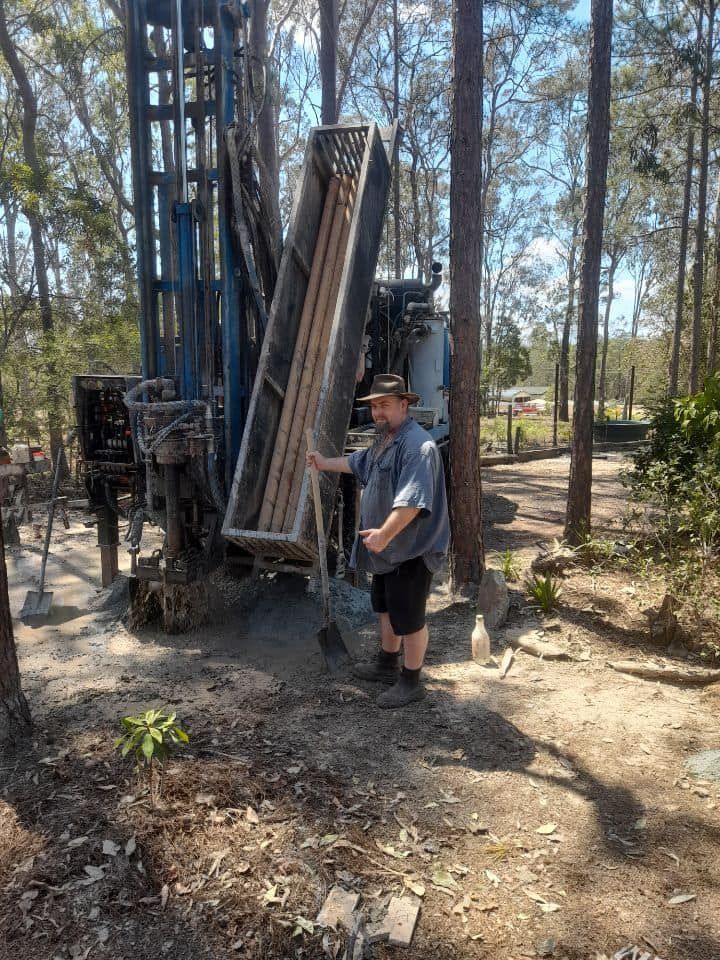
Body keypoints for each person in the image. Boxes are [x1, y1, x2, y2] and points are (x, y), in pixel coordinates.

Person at [305, 374, 449, 708]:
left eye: (384, 405)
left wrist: (384, 534)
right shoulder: (384, 440)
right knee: (384, 606)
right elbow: (358, 463)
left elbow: (413, 503)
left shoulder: (418, 447)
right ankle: (387, 664)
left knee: (409, 617)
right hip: (388, 551)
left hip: (411, 550)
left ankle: (412, 681)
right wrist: (324, 462)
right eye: (374, 407)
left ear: (404, 405)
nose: (378, 413)